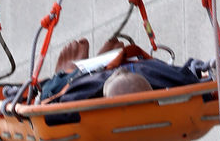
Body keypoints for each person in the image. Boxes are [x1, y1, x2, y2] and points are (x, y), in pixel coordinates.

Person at [39, 36, 206, 102]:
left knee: (53, 88)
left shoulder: (76, 95)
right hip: (133, 70)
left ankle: (76, 69)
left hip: (87, 84)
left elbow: (49, 105)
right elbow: (192, 76)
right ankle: (96, 65)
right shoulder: (160, 77)